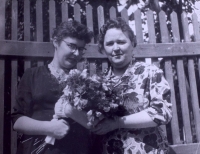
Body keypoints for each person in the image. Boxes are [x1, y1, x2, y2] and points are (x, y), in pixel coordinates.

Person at [91, 17, 172, 154]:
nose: (116, 48)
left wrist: (118, 122)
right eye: (109, 44)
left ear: (132, 43)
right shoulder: (99, 81)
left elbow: (162, 113)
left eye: (121, 42)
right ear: (103, 49)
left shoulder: (150, 72)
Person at [11, 20, 94, 154]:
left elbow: (93, 123)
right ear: (56, 41)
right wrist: (49, 128)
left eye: (81, 48)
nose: (77, 53)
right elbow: (18, 121)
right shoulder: (32, 75)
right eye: (72, 46)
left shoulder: (85, 82)